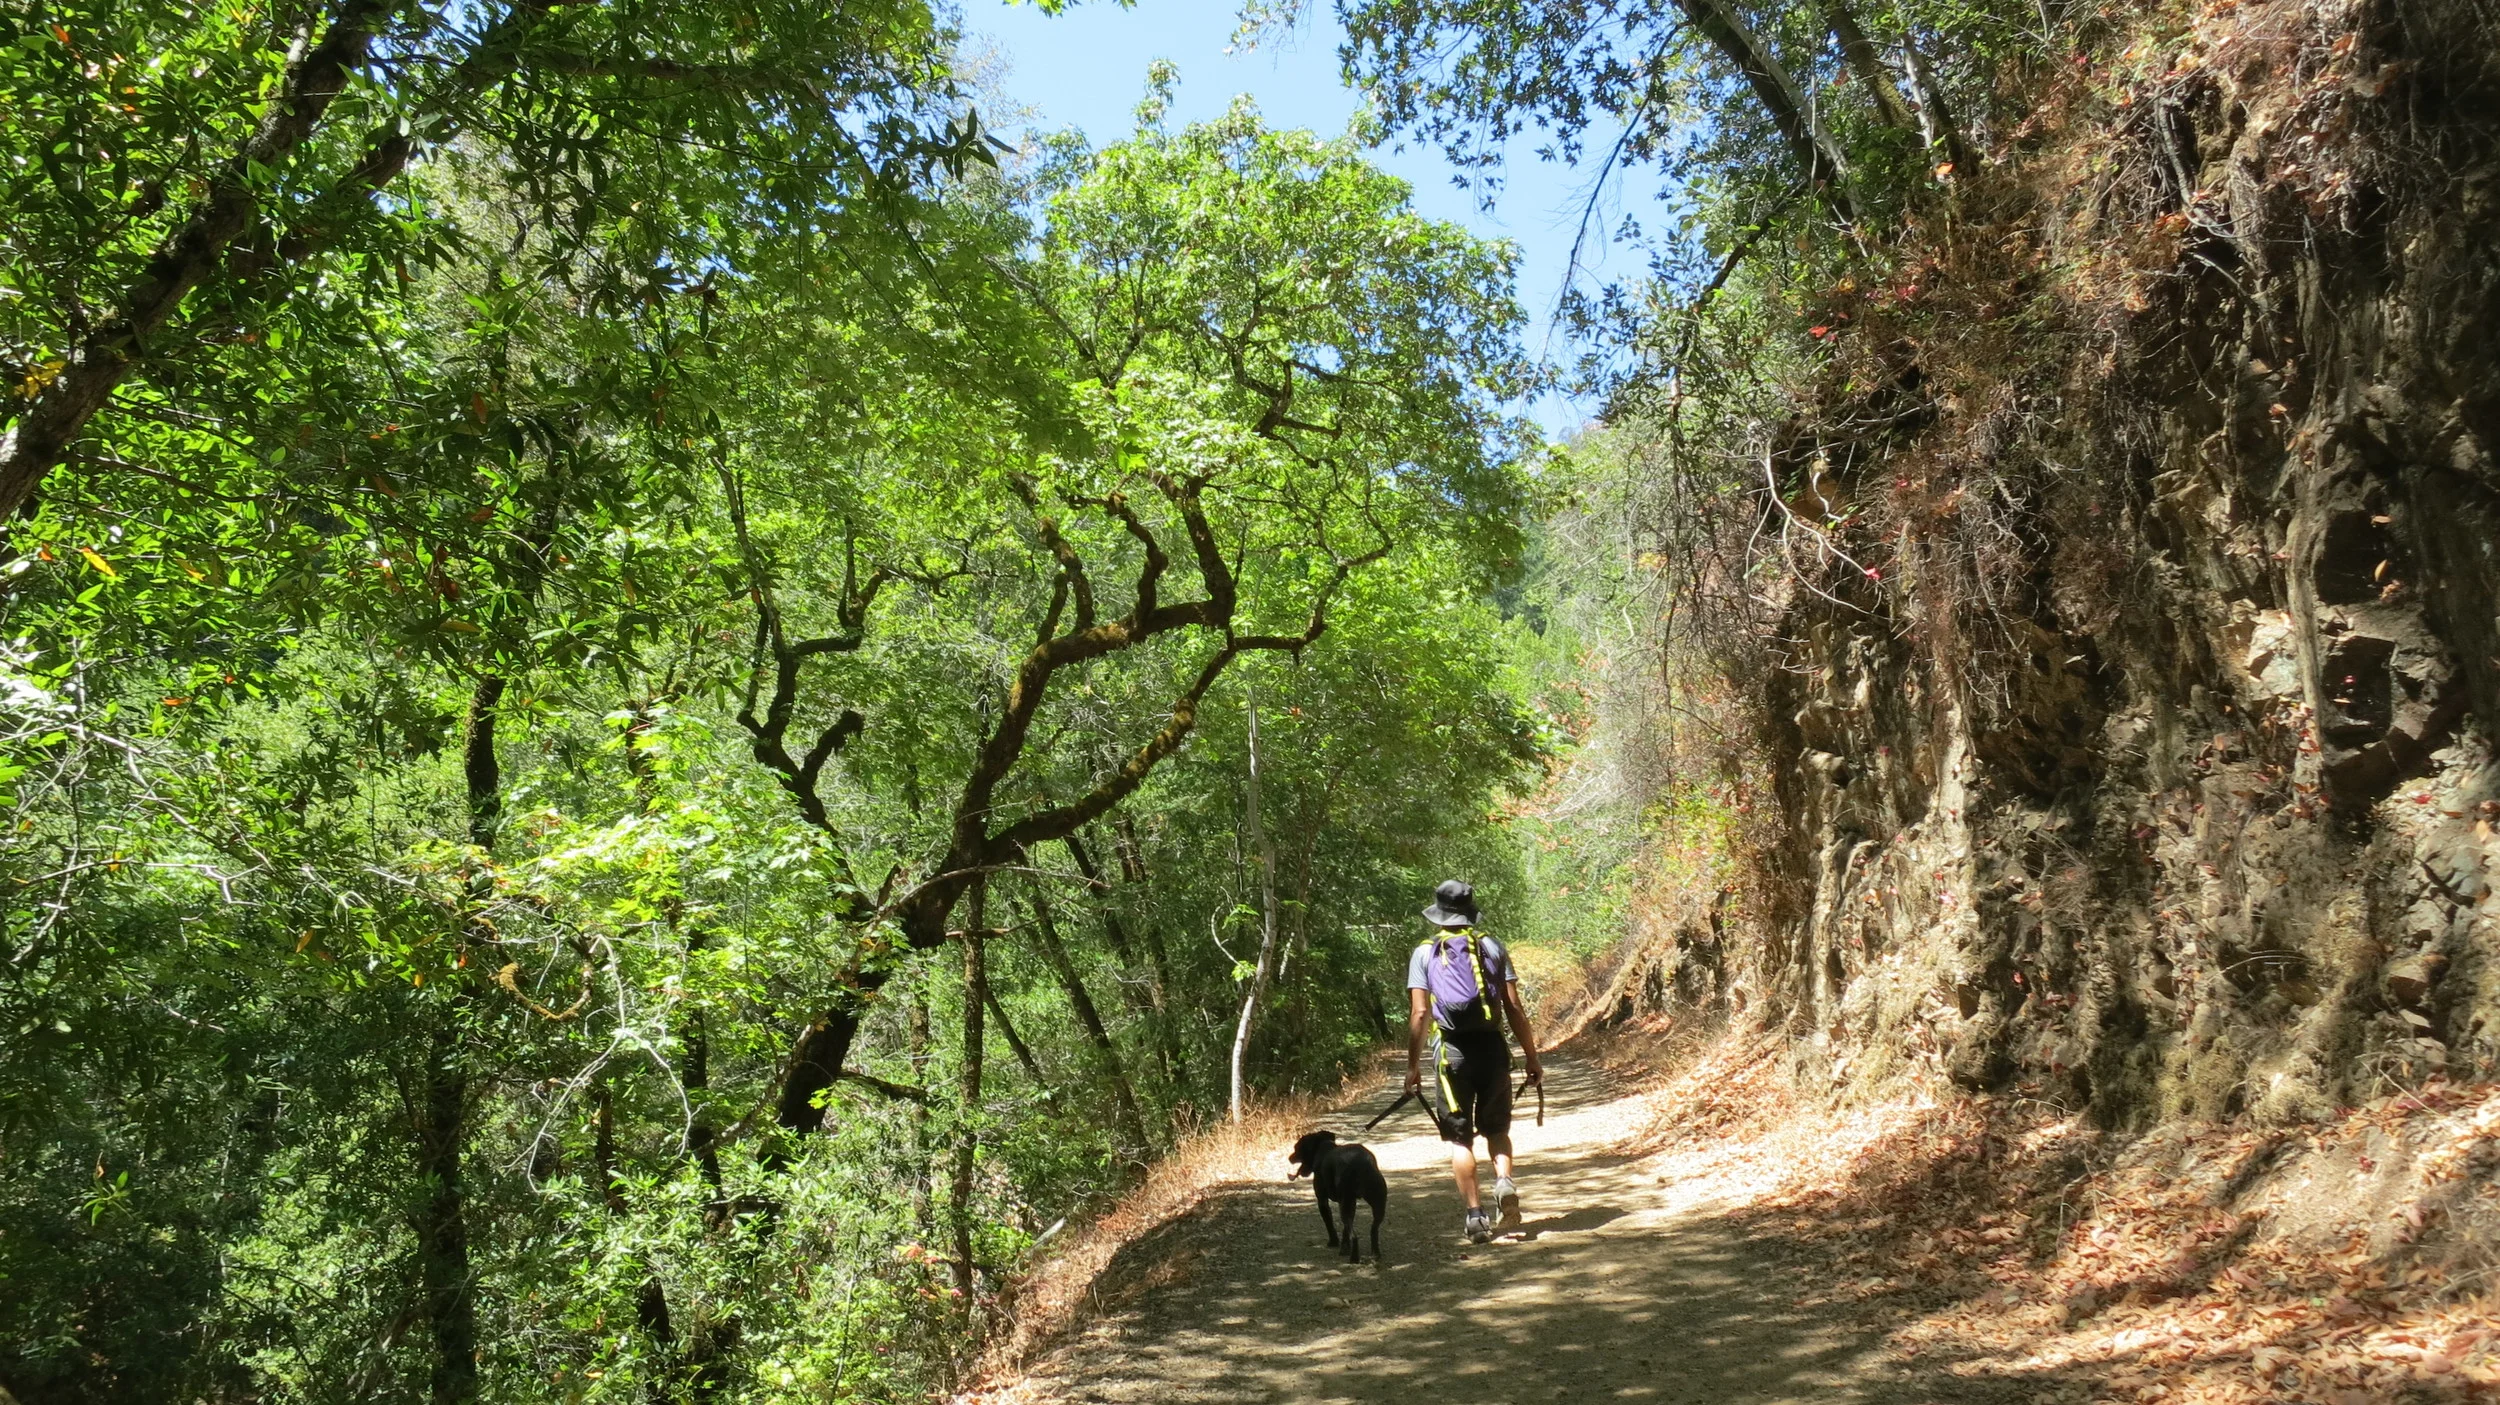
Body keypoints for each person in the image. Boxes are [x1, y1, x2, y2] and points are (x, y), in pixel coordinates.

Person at [1404, 878, 1543, 1244]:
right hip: (1494, 1051)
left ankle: (1476, 1217)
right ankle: (1503, 1182)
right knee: (1497, 1130)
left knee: (1461, 1140)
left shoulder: (1423, 954)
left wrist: (1412, 1065)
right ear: (1469, 911)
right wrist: (1531, 1057)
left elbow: (1420, 1014)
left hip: (1452, 1056)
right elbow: (1514, 1008)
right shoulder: (1492, 947)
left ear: (1438, 914)